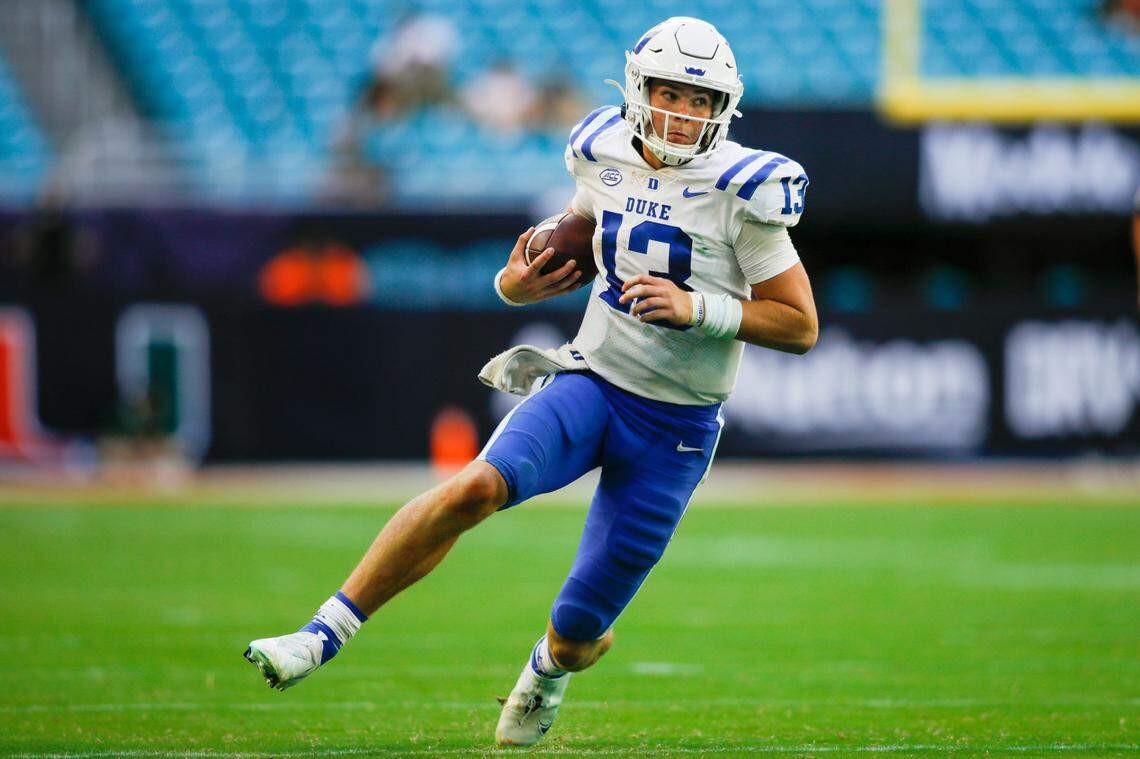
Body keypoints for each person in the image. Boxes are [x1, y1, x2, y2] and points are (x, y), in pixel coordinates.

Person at [244, 16, 819, 747]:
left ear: (724, 108)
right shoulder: (602, 150)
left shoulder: (745, 190)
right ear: (641, 91)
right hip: (594, 383)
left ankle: (553, 666)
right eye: (672, 93)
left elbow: (800, 325)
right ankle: (319, 634)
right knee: (473, 486)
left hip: (674, 428)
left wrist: (700, 308)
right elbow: (566, 248)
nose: (685, 113)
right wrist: (514, 284)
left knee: (579, 628)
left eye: (703, 100)